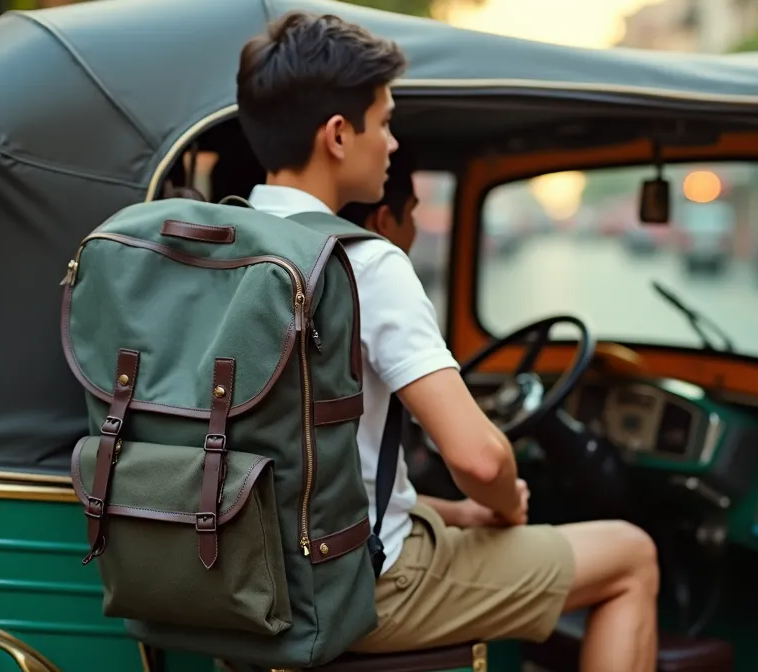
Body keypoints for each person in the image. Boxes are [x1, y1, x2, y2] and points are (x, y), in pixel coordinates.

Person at [235, 12, 659, 671]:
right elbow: (482, 458)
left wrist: (460, 514)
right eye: (385, 122)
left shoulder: (224, 252)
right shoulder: (362, 263)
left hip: (249, 574)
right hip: (367, 586)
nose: (395, 145)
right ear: (339, 135)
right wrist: (502, 500)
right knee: (633, 554)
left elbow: (318, 474)